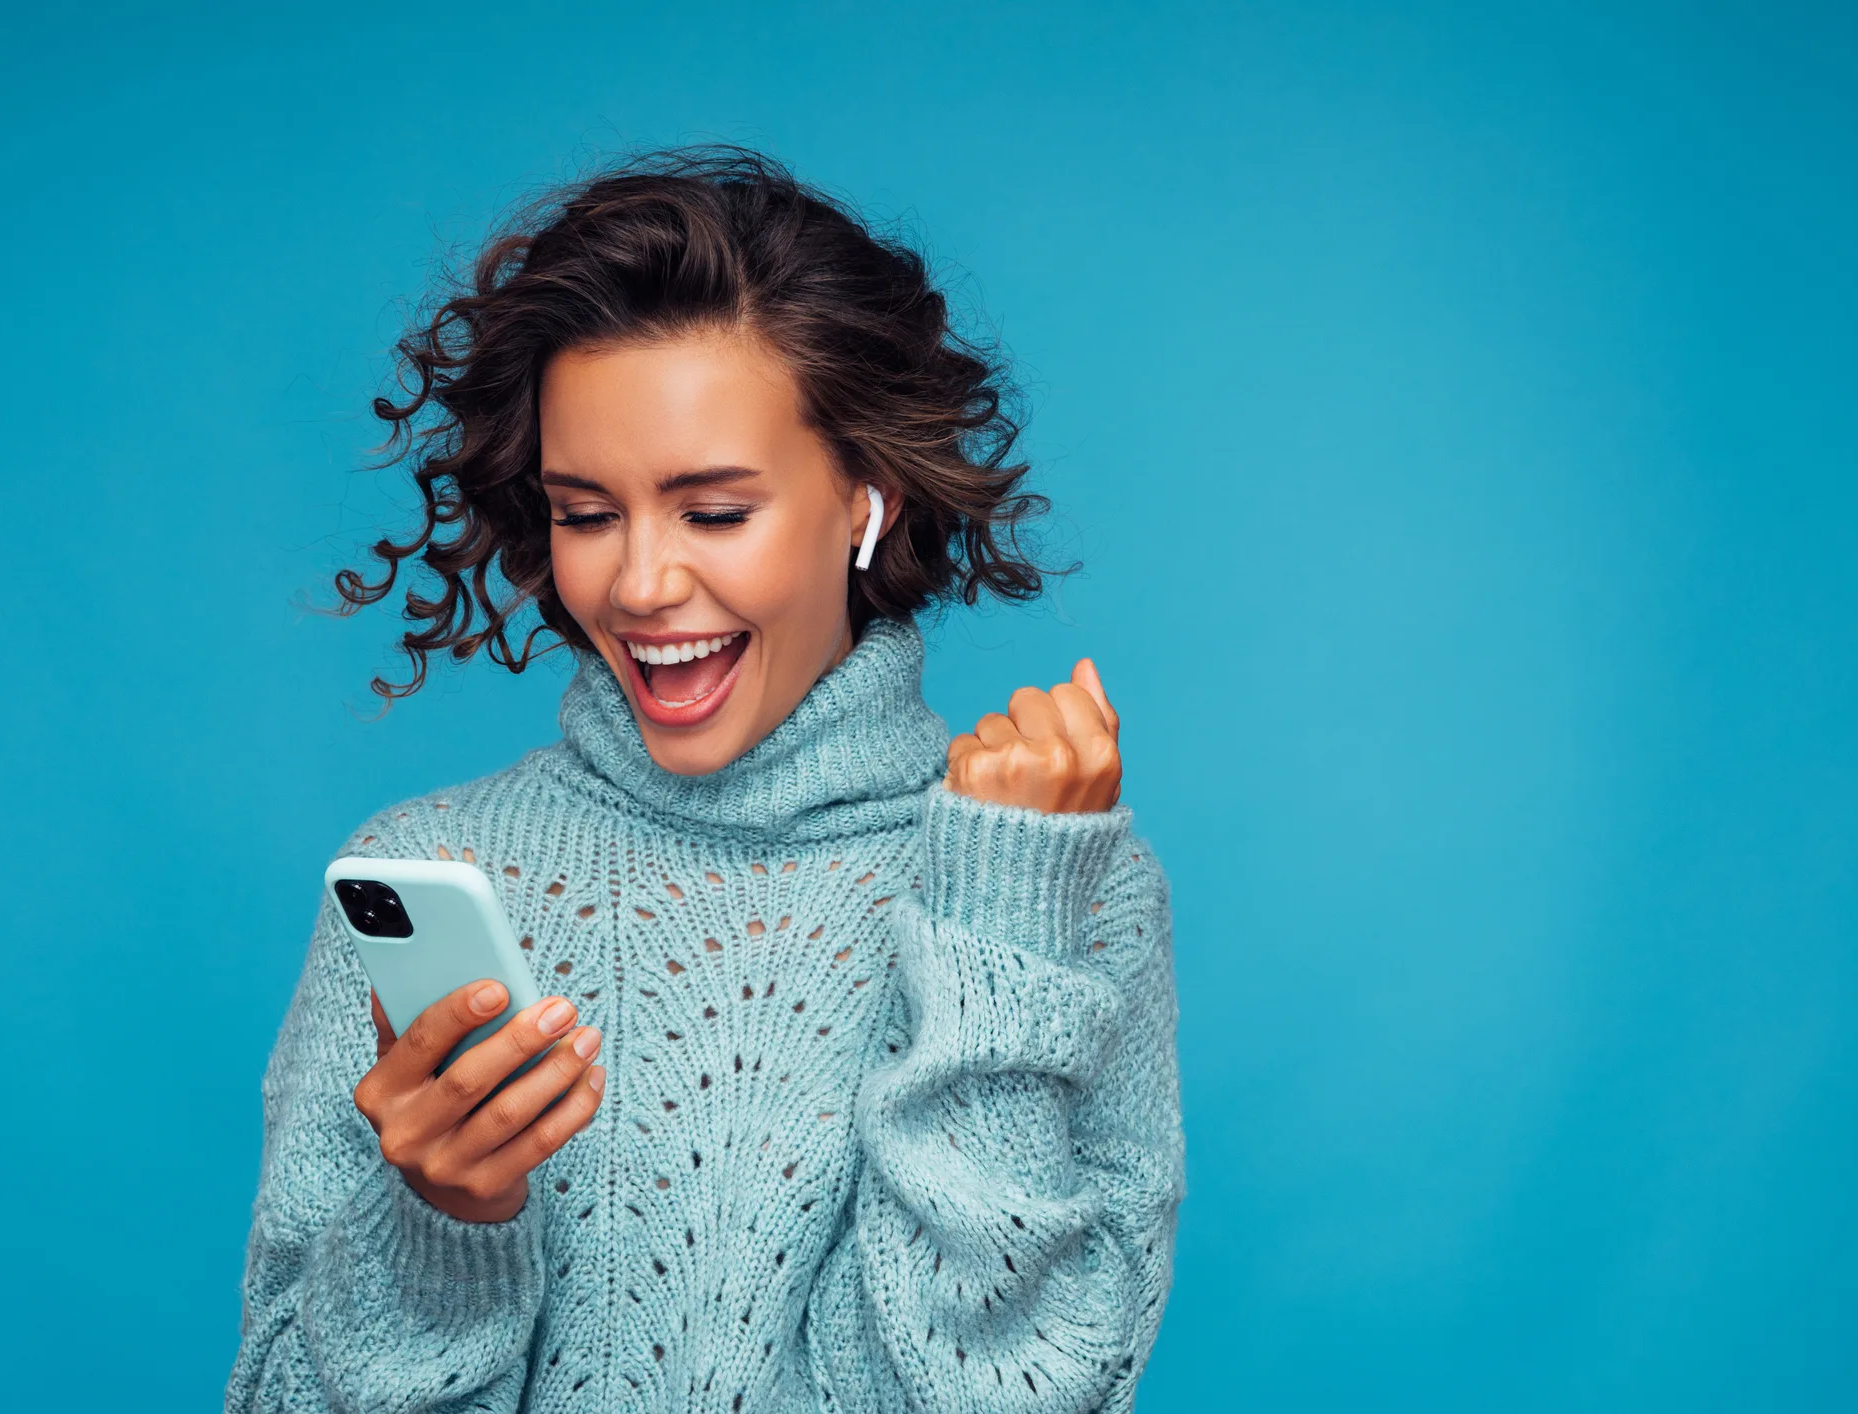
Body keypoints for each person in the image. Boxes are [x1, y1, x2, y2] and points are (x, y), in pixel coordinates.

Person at [226, 147, 1184, 1414]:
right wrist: (441, 1223)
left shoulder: (1062, 883)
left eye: (714, 511)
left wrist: (997, 928)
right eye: (587, 512)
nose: (637, 585)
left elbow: (1020, 1393)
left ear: (864, 502)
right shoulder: (435, 869)